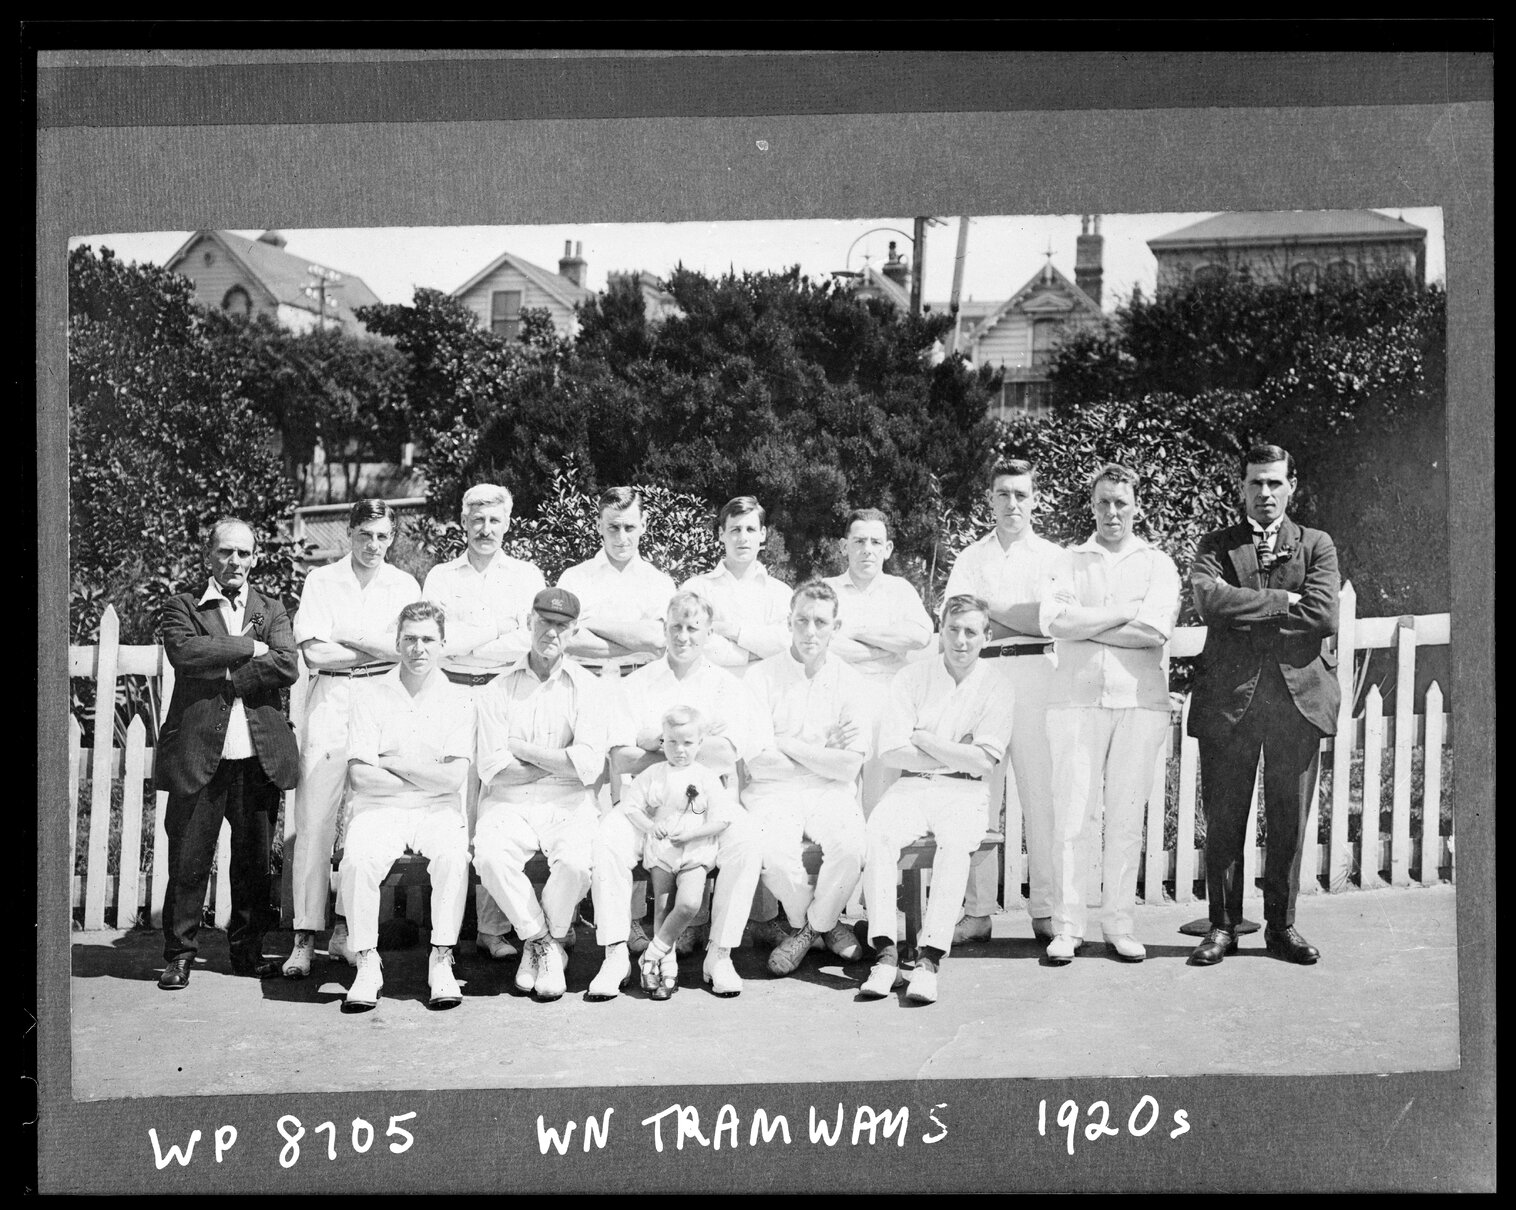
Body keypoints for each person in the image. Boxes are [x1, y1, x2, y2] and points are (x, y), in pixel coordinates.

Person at [1187, 443, 1340, 967]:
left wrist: (1245, 609)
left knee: (1289, 818)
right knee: (1225, 818)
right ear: (1242, 487)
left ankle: (1282, 926)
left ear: (1291, 486)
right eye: (1256, 483)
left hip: (1296, 702)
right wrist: (1281, 602)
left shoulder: (1317, 544)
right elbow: (1210, 601)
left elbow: (1322, 615)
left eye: (1275, 483)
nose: (1265, 493)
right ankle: (1223, 927)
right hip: (1231, 700)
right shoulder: (1216, 543)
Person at [586, 591, 770, 1000]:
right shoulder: (637, 684)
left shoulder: (726, 685)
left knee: (748, 840)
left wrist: (662, 745)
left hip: (708, 806)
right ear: (663, 629)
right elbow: (620, 758)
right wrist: (683, 746)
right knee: (607, 839)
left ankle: (719, 955)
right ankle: (615, 954)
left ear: (707, 633)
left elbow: (728, 752)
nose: (683, 636)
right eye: (675, 627)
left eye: (693, 628)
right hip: (647, 804)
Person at [1040, 465, 1181, 964]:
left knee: (1124, 820)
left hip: (1140, 703)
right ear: (1092, 505)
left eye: (1121, 502)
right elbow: (1055, 620)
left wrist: (1086, 626)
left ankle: (1119, 924)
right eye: (1103, 502)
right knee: (1073, 819)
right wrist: (1124, 612)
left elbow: (1155, 632)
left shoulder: (1158, 564)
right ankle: (1067, 928)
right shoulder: (1068, 559)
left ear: (1136, 505)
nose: (1112, 512)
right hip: (1075, 702)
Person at [155, 519, 301, 990]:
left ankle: (247, 951)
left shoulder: (271, 608)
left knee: (253, 862)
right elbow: (185, 653)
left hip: (257, 757)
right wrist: (247, 646)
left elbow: (285, 664)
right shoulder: (182, 607)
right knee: (189, 859)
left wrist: (232, 676)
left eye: (243, 553)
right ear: (209, 556)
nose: (234, 561)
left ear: (254, 558)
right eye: (225, 552)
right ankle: (179, 955)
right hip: (198, 754)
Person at [283, 500, 421, 978]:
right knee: (315, 818)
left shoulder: (405, 585)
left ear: (393, 537)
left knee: (365, 821)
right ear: (349, 533)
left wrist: (348, 636)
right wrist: (371, 647)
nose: (374, 545)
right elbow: (315, 653)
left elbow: (402, 650)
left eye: (383, 536)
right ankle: (304, 936)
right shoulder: (322, 581)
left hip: (381, 704)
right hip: (331, 703)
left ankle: (345, 932)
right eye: (365, 535)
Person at [858, 595, 1014, 1005]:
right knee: (877, 834)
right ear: (940, 631)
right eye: (952, 630)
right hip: (912, 786)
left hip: (965, 792)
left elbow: (983, 762)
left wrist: (924, 739)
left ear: (987, 636)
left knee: (955, 845)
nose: (961, 641)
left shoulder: (997, 684)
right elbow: (891, 751)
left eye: (971, 632)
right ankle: (886, 956)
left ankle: (928, 961)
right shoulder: (912, 677)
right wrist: (954, 750)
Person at [420, 483, 545, 962]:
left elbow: (528, 641)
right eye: (478, 520)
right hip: (451, 692)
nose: (486, 529)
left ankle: (491, 929)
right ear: (464, 521)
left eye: (495, 520)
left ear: (508, 522)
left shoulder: (526, 574)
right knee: (453, 808)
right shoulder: (440, 577)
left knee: (496, 803)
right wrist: (495, 631)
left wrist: (473, 641)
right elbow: (441, 644)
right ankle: (444, 937)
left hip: (502, 692)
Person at [942, 459, 1062, 946]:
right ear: (990, 499)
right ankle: (977, 912)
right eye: (1003, 495)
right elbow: (959, 623)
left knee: (1041, 798)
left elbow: (1051, 622)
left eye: (1021, 495)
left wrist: (989, 612)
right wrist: (1015, 618)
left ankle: (1048, 912)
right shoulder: (971, 559)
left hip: (1038, 675)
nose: (1013, 504)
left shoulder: (1055, 558)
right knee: (977, 800)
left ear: (1034, 499)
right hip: (985, 677)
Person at [471, 587, 611, 1002]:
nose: (552, 632)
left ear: (574, 631)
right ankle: (544, 941)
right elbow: (493, 770)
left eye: (562, 626)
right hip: (508, 801)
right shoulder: (497, 688)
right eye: (545, 622)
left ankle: (546, 940)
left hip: (568, 802)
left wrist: (523, 749)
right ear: (530, 621)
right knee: (490, 856)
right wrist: (559, 761)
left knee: (575, 864)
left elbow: (588, 768)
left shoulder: (588, 687)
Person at [338, 601, 473, 1012]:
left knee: (453, 855)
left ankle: (441, 958)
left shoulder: (460, 698)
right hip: (378, 808)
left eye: (428, 639)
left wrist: (392, 761)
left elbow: (453, 778)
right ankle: (366, 961)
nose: (419, 648)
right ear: (397, 643)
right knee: (359, 860)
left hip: (438, 809)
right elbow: (361, 777)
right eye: (410, 639)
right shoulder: (370, 694)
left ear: (443, 644)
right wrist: (423, 773)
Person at [744, 580, 871, 975]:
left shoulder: (852, 682)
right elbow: (758, 763)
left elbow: (848, 767)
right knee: (776, 858)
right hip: (772, 792)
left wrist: (786, 742)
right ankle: (823, 926)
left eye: (820, 621)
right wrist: (823, 753)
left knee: (851, 846)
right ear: (789, 621)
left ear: (836, 626)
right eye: (802, 620)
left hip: (829, 791)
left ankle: (805, 932)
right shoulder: (760, 678)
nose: (811, 631)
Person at [617, 707, 738, 1000]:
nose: (680, 750)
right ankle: (667, 970)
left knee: (688, 904)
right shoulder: (654, 773)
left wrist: (692, 834)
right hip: (663, 849)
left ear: (699, 744)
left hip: (695, 848)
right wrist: (650, 825)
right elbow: (630, 804)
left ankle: (651, 954)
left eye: (687, 743)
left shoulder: (705, 776)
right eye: (672, 742)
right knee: (662, 907)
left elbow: (722, 818)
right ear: (663, 742)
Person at [822, 508, 933, 814]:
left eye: (875, 542)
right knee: (837, 800)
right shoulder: (826, 590)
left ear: (888, 549)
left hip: (886, 701)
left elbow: (920, 636)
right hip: (836, 700)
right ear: (844, 546)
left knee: (880, 800)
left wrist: (857, 632)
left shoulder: (899, 590)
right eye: (858, 541)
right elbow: (822, 644)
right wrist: (886, 647)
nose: (866, 549)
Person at [558, 486, 677, 677]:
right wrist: (638, 643)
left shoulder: (659, 582)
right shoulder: (574, 578)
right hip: (584, 680)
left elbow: (657, 639)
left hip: (642, 681)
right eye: (613, 527)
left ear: (643, 525)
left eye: (629, 528)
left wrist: (590, 623)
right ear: (599, 526)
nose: (622, 538)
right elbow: (567, 640)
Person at [680, 496, 791, 677]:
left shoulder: (781, 593)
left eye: (750, 529)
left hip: (764, 695)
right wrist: (753, 653)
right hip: (711, 693)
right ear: (721, 534)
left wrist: (732, 630)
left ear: (762, 534)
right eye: (735, 530)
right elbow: (694, 643)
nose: (743, 538)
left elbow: (786, 645)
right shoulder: (696, 589)